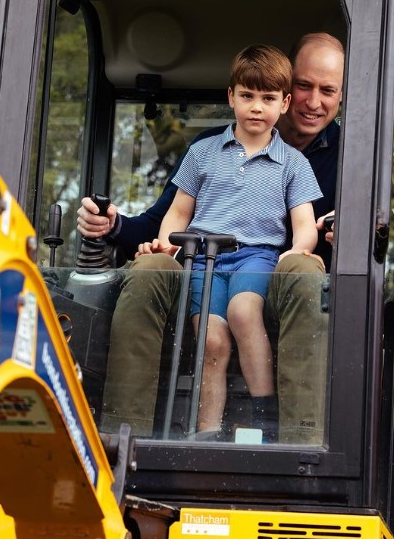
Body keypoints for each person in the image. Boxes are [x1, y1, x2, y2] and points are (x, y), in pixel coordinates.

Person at [77, 32, 345, 443]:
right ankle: (129, 439)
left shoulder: (345, 158)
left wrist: (325, 240)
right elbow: (169, 217)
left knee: (293, 272)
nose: (313, 101)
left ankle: (294, 439)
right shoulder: (206, 150)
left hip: (278, 277)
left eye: (327, 90)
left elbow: (318, 230)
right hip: (205, 264)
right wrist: (116, 226)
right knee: (177, 298)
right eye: (305, 85)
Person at [135, 45, 322, 441]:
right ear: (231, 97)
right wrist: (166, 243)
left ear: (285, 103)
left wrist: (296, 250)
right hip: (203, 258)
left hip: (257, 255)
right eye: (248, 96)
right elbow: (179, 211)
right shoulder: (203, 152)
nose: (257, 107)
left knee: (242, 311)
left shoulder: (292, 162)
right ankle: (206, 432)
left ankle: (264, 416)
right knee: (211, 337)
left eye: (268, 98)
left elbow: (305, 223)